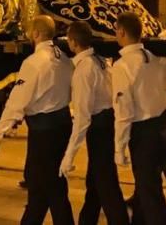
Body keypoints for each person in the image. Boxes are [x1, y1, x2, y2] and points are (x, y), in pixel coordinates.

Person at [0, 15, 74, 225]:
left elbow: (18, 100)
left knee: (50, 187)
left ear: (35, 34)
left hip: (44, 130)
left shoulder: (34, 62)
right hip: (62, 124)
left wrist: (0, 131)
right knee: (42, 184)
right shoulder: (64, 59)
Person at [60, 21, 128, 225]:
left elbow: (82, 117)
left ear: (72, 43)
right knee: (96, 181)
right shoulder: (99, 60)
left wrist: (69, 155)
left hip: (99, 127)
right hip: (108, 122)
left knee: (106, 184)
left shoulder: (84, 70)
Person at [112, 11, 166, 225]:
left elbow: (124, 111)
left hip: (143, 134)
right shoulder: (154, 58)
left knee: (149, 192)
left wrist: (119, 147)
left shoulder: (122, 66)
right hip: (161, 128)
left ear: (121, 32)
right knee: (149, 185)